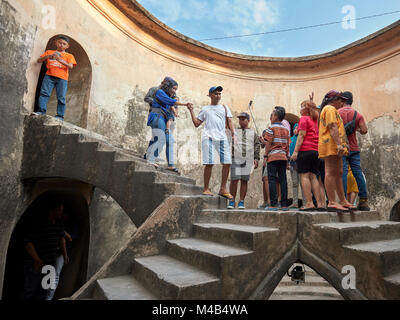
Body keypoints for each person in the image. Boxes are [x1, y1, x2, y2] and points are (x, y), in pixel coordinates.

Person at [187, 86, 236, 199]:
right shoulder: (205, 109)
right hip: (208, 137)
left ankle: (223, 189)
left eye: (219, 94)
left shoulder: (224, 107)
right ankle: (206, 188)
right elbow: (196, 123)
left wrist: (233, 134)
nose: (218, 96)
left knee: (227, 162)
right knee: (209, 163)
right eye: (215, 93)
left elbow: (230, 121)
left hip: (222, 137)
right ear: (210, 95)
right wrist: (191, 110)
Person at [318, 90, 357, 212]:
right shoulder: (329, 109)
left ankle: (343, 200)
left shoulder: (332, 110)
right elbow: (332, 126)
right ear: (332, 100)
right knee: (330, 172)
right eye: (340, 100)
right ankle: (332, 202)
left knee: (339, 172)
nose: (342, 102)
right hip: (331, 145)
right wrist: (339, 145)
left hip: (334, 145)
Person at [21, 203, 68, 300]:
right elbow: (28, 242)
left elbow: (62, 239)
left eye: (62, 210)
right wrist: (37, 259)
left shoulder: (59, 224)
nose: (61, 213)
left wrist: (64, 254)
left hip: (49, 264)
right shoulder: (38, 222)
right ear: (52, 211)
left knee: (43, 291)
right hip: (36, 264)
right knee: (30, 290)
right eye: (59, 210)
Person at [146, 78, 192, 172]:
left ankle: (152, 157)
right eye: (173, 88)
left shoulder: (171, 97)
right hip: (157, 116)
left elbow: (171, 112)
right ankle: (151, 159)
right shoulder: (158, 91)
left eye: (175, 89)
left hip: (165, 119)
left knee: (161, 138)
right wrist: (184, 104)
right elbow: (170, 102)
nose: (174, 91)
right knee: (160, 137)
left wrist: (168, 126)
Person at [338, 91, 370, 211]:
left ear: (343, 100)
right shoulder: (358, 115)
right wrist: (356, 129)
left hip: (342, 147)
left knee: (343, 172)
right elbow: (364, 130)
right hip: (354, 148)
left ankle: (343, 201)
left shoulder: (337, 113)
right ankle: (363, 201)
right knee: (357, 172)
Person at [291, 100, 325, 211]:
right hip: (316, 151)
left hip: (305, 151)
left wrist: (295, 151)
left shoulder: (303, 119)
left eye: (301, 107)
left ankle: (309, 203)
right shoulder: (316, 120)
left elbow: (301, 135)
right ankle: (319, 204)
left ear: (306, 109)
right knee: (313, 177)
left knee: (304, 176)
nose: (300, 109)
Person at [35, 35, 77, 120]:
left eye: (64, 44)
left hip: (62, 78)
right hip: (49, 76)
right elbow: (39, 60)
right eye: (60, 43)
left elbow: (71, 66)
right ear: (56, 43)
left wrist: (59, 59)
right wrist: (48, 57)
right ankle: (41, 111)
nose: (61, 45)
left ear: (67, 46)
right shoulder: (49, 52)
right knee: (44, 94)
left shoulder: (69, 56)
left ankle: (60, 116)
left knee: (61, 97)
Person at [228, 112, 260, 209]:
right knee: (234, 180)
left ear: (248, 120)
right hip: (236, 158)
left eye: (243, 119)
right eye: (240, 119)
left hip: (248, 159)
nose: (241, 121)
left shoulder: (253, 133)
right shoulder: (234, 131)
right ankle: (232, 200)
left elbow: (257, 145)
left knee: (244, 180)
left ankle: (241, 201)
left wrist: (256, 158)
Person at [262, 106, 290, 211]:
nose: (271, 117)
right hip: (283, 157)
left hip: (273, 157)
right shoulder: (286, 130)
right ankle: (284, 205)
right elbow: (287, 145)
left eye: (272, 115)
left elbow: (268, 143)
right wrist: (287, 159)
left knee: (272, 179)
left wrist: (265, 156)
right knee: (283, 180)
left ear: (276, 116)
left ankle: (273, 204)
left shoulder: (271, 128)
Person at [288, 123, 305, 209]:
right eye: (294, 128)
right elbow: (288, 151)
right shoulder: (291, 139)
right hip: (292, 164)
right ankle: (295, 203)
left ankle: (305, 203)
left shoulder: (301, 139)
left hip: (301, 163)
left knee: (303, 184)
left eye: (297, 129)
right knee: (295, 183)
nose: (295, 130)